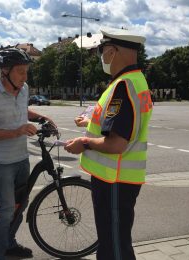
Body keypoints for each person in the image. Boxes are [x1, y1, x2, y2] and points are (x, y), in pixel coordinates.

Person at [65, 27, 153, 260]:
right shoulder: (135, 81)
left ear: (113, 51)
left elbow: (116, 144)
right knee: (116, 242)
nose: (101, 57)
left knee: (113, 248)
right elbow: (120, 124)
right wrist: (89, 121)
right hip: (118, 179)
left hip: (115, 180)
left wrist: (84, 142)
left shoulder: (124, 86)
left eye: (102, 50)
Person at [0, 48, 55, 260]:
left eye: (26, 71)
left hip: (21, 159)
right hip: (1, 163)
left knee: (21, 206)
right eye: (20, 71)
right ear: (5, 72)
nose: (25, 76)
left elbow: (23, 111)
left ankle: (8, 245)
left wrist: (42, 117)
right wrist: (17, 131)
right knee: (6, 212)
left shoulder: (24, 88)